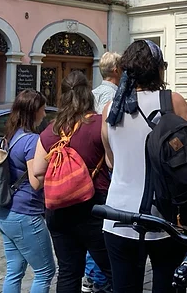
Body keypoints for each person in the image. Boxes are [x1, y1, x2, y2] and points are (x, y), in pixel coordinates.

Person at [101, 40, 187, 293]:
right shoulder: (172, 101)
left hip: (118, 214)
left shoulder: (111, 108)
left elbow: (111, 160)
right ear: (158, 69)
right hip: (164, 216)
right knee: (165, 286)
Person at [32, 71, 112, 293]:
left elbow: (38, 171)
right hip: (94, 208)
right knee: (114, 270)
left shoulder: (51, 130)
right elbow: (112, 163)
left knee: (68, 272)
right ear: (88, 94)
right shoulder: (98, 124)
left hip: (59, 210)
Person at [0, 90, 56, 293]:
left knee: (14, 270)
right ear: (33, 112)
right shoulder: (31, 141)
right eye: (42, 110)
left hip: (4, 213)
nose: (45, 115)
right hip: (25, 214)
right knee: (45, 271)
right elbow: (35, 182)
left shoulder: (10, 136)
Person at [84, 52, 121, 293]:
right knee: (105, 225)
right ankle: (99, 277)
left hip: (90, 167)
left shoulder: (94, 94)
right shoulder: (114, 97)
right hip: (106, 166)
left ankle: (90, 273)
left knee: (93, 225)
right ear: (117, 70)